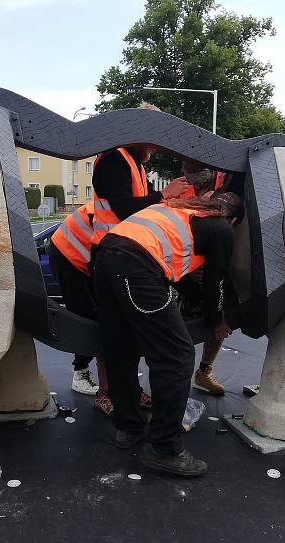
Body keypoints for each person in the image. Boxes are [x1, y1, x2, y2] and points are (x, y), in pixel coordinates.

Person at [93, 193, 245, 476]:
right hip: (135, 265)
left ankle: (129, 428)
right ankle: (164, 448)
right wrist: (216, 320)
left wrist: (193, 297)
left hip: (105, 256)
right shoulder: (222, 227)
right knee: (177, 356)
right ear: (234, 219)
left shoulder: (181, 208)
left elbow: (177, 270)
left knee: (121, 347)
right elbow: (216, 280)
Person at [89, 143, 188, 412]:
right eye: (152, 145)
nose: (154, 150)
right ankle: (114, 397)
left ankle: (128, 403)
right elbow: (124, 209)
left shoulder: (134, 164)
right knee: (118, 336)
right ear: (141, 139)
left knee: (124, 337)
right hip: (115, 254)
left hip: (117, 253)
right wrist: (162, 196)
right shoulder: (115, 160)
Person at [179, 160, 230, 396]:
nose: (183, 171)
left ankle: (204, 372)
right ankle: (175, 381)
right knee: (177, 328)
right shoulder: (180, 188)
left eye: (188, 168)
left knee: (218, 320)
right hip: (182, 265)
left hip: (211, 260)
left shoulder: (223, 187)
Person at [48, 200, 103, 396]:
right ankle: (80, 374)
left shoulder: (118, 207)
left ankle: (89, 369)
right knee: (87, 316)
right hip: (67, 256)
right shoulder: (111, 214)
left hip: (75, 255)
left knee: (98, 313)